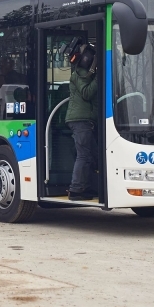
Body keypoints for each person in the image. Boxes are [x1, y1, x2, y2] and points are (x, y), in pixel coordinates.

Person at [65, 43, 98, 201]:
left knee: (89, 155)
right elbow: (86, 93)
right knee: (84, 155)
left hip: (84, 119)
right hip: (80, 120)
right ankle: (76, 189)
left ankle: (85, 187)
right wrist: (99, 78)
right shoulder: (80, 73)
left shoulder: (84, 74)